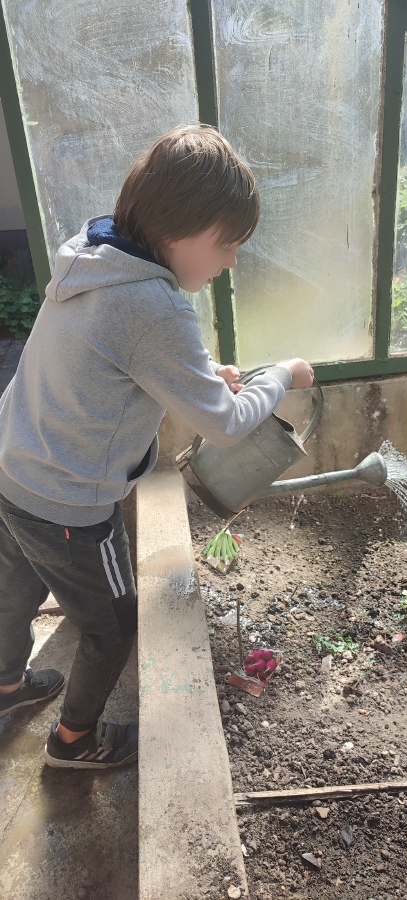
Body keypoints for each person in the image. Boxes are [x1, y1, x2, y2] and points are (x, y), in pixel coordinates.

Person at [0, 124, 314, 769]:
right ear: (179, 231)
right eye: (226, 245)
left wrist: (205, 375)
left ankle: (5, 685)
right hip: (69, 501)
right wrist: (283, 375)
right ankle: (73, 743)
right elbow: (226, 425)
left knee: (17, 584)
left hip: (13, 467)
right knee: (115, 624)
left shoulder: (95, 255)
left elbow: (119, 358)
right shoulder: (153, 305)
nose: (231, 262)